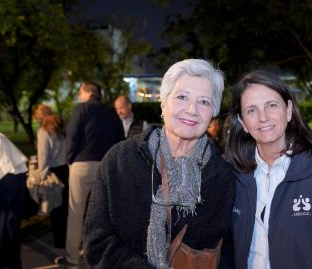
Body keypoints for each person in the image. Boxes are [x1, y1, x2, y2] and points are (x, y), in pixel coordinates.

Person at [83, 59, 236, 268]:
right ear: (163, 103)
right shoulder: (120, 161)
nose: (192, 109)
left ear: (213, 112)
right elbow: (97, 242)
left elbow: (227, 252)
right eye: (182, 97)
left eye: (204, 102)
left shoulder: (223, 176)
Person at [224, 70, 312, 269]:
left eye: (271, 105)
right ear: (243, 122)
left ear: (288, 110)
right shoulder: (232, 174)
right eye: (251, 110)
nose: (263, 117)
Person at [55, 81, 124, 267]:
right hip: (106, 167)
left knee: (76, 212)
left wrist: (70, 160)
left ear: (87, 92)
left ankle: (72, 259)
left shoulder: (81, 109)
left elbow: (72, 137)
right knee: (103, 214)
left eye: (80, 92)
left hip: (82, 165)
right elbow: (120, 142)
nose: (79, 95)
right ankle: (103, 256)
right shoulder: (111, 113)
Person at [32, 104, 69, 248]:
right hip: (66, 169)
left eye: (37, 118)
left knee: (55, 206)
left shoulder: (43, 131)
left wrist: (41, 175)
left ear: (41, 116)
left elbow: (43, 155)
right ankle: (68, 238)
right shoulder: (61, 127)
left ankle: (59, 241)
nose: (37, 121)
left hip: (53, 172)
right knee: (65, 206)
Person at [0, 132, 28, 269]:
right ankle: (13, 262)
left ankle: (3, 262)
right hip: (17, 176)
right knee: (10, 222)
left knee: (2, 223)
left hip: (7, 178)